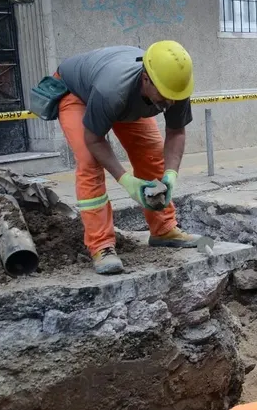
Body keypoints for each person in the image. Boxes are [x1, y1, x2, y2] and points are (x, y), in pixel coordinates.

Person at [56, 40, 200, 275]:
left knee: (152, 154)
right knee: (90, 163)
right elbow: (94, 139)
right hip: (78, 94)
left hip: (125, 98)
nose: (171, 103)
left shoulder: (173, 86)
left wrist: (170, 175)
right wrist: (126, 181)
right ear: (146, 79)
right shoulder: (111, 90)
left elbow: (176, 131)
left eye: (175, 96)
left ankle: (163, 229)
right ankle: (101, 245)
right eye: (165, 97)